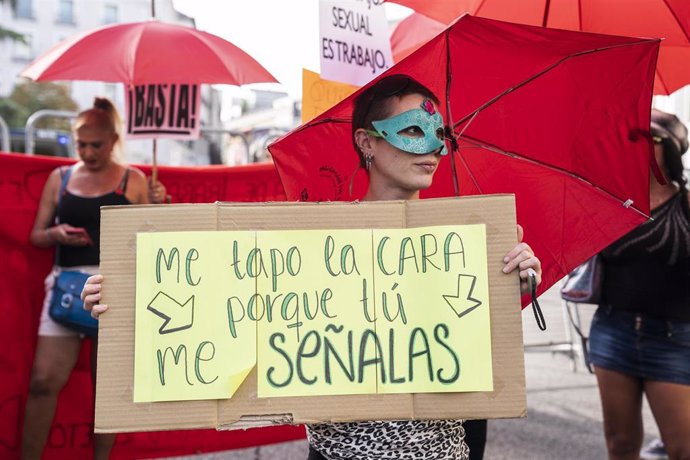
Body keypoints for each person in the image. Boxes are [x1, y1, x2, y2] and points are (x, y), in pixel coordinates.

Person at [82, 75, 542, 459]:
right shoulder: (315, 242)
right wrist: (126, 299)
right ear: (367, 141)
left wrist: (511, 280)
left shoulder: (462, 243)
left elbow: (476, 352)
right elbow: (221, 308)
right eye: (413, 131)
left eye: (439, 134)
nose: (433, 150)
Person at [23, 97, 166, 460]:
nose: (87, 152)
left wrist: (160, 205)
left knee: (109, 393)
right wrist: (56, 234)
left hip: (115, 288)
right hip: (67, 288)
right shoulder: (61, 178)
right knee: (42, 383)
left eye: (95, 145)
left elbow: (154, 238)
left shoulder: (133, 179)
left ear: (113, 139)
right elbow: (37, 235)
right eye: (80, 144)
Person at [589, 108, 690, 460]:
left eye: (651, 141)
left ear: (673, 150)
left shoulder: (686, 203)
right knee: (620, 445)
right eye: (633, 141)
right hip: (613, 330)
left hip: (674, 338)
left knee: (682, 448)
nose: (640, 149)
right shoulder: (614, 198)